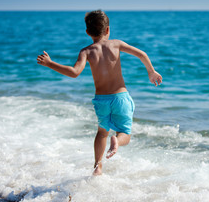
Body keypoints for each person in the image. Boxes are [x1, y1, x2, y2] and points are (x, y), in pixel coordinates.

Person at [37, 10, 162, 175]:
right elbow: (141, 54)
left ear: (88, 32)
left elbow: (74, 72)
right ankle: (117, 141)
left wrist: (50, 64)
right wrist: (151, 72)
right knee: (125, 133)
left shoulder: (86, 51)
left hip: (102, 100)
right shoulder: (116, 44)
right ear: (108, 30)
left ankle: (97, 166)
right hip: (121, 97)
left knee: (102, 132)